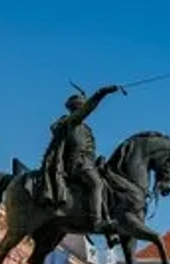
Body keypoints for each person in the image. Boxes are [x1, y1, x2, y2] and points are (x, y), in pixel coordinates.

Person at [42, 84, 122, 234]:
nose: (85, 110)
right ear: (76, 108)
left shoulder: (85, 129)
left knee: (106, 182)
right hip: (76, 165)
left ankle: (108, 222)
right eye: (82, 107)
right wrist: (102, 92)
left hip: (87, 164)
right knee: (96, 183)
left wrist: (98, 161)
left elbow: (89, 151)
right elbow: (89, 108)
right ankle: (97, 222)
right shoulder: (72, 122)